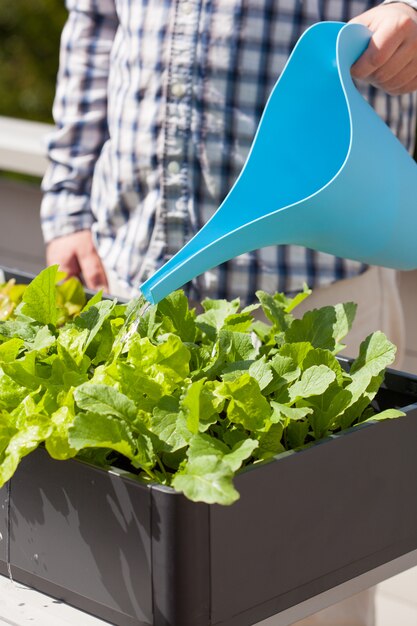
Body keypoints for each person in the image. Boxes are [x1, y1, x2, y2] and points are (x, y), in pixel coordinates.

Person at [40, 2, 417, 625]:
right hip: (128, 278)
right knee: (133, 592)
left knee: (311, 597)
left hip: (313, 313)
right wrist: (68, 204)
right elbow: (95, 18)